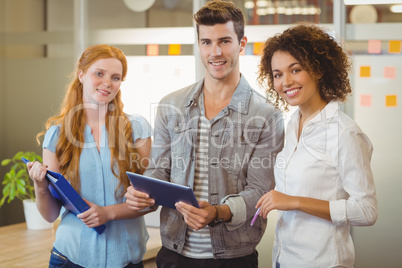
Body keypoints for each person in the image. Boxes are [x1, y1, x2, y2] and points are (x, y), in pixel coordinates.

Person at [125, 1, 284, 267]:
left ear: (241, 44)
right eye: (207, 42)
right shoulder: (170, 106)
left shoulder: (267, 115)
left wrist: (218, 212)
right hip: (174, 253)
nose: (215, 52)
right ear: (199, 44)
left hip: (234, 257)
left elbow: (260, 191)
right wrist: (142, 193)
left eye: (224, 41)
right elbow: (158, 171)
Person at [256, 24, 378, 268]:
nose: (286, 82)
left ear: (319, 70)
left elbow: (367, 211)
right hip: (284, 258)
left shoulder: (344, 132)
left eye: (296, 69)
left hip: (323, 261)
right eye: (278, 74)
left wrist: (295, 201)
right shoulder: (292, 125)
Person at [26, 44, 153, 268]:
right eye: (99, 74)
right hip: (70, 258)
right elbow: (50, 214)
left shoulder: (136, 129)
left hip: (127, 259)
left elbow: (150, 201)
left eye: (115, 77)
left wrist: (108, 213)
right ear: (82, 75)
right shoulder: (57, 135)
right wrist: (40, 185)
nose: (107, 83)